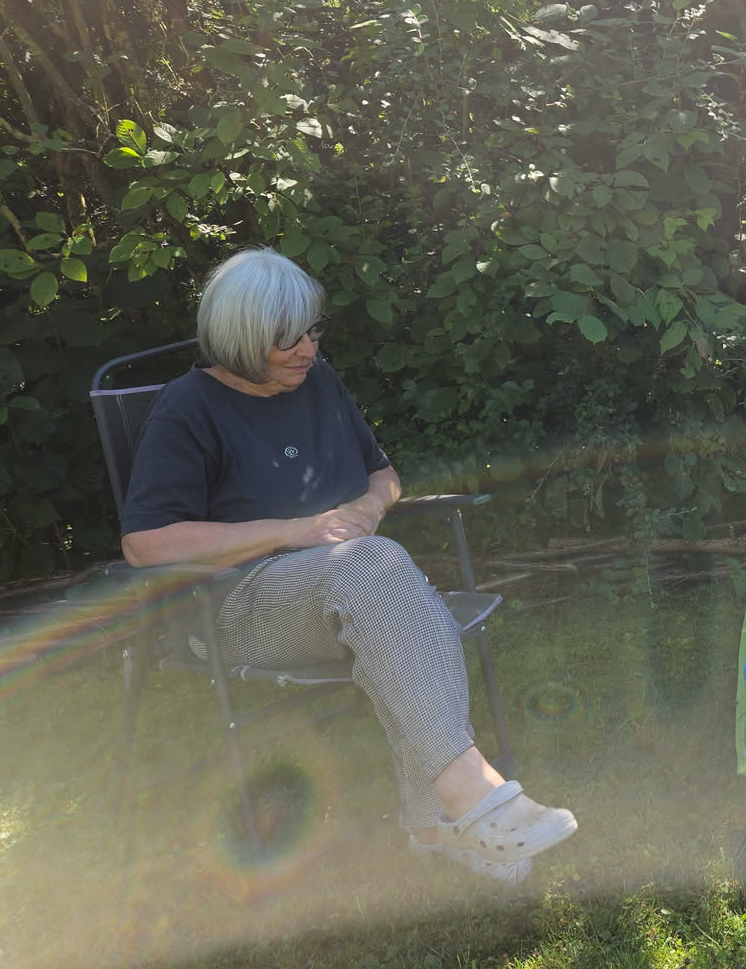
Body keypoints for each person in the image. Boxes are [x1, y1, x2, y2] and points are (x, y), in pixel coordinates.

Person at [120, 247, 577, 885]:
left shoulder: (318, 381)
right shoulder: (187, 408)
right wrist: (294, 531)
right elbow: (146, 544)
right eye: (287, 339)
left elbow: (383, 476)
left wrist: (366, 507)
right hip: (234, 605)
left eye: (313, 331)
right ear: (241, 337)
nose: (307, 349)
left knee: (391, 599)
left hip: (349, 584)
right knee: (384, 576)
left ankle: (437, 826)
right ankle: (472, 797)